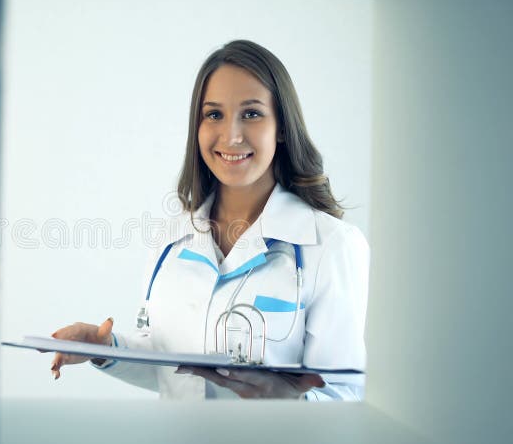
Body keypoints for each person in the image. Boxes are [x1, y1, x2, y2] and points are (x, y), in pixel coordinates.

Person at [50, 40, 369, 400]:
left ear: (281, 127)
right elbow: (170, 367)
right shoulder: (172, 237)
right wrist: (103, 347)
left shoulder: (331, 245)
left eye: (251, 113)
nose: (231, 136)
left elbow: (345, 396)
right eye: (214, 114)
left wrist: (286, 400)